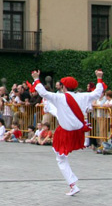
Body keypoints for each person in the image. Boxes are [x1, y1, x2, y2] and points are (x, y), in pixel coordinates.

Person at [31, 68, 105, 196]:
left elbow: (43, 93)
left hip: (66, 131)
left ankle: (72, 184)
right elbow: (98, 92)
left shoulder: (60, 97)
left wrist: (36, 79)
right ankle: (72, 184)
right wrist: (99, 78)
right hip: (78, 131)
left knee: (60, 158)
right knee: (59, 113)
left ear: (64, 87)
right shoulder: (83, 96)